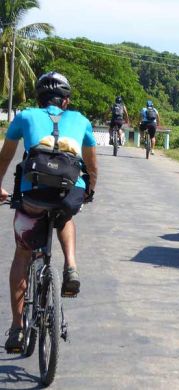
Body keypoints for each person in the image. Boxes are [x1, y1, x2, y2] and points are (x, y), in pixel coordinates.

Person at [0, 71, 98, 353]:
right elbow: (91, 166)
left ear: (39, 99)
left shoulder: (25, 116)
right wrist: (89, 191)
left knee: (22, 253)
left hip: (33, 196)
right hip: (68, 193)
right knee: (65, 215)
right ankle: (70, 266)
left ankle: (18, 328)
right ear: (65, 101)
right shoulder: (81, 120)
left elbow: (5, 157)